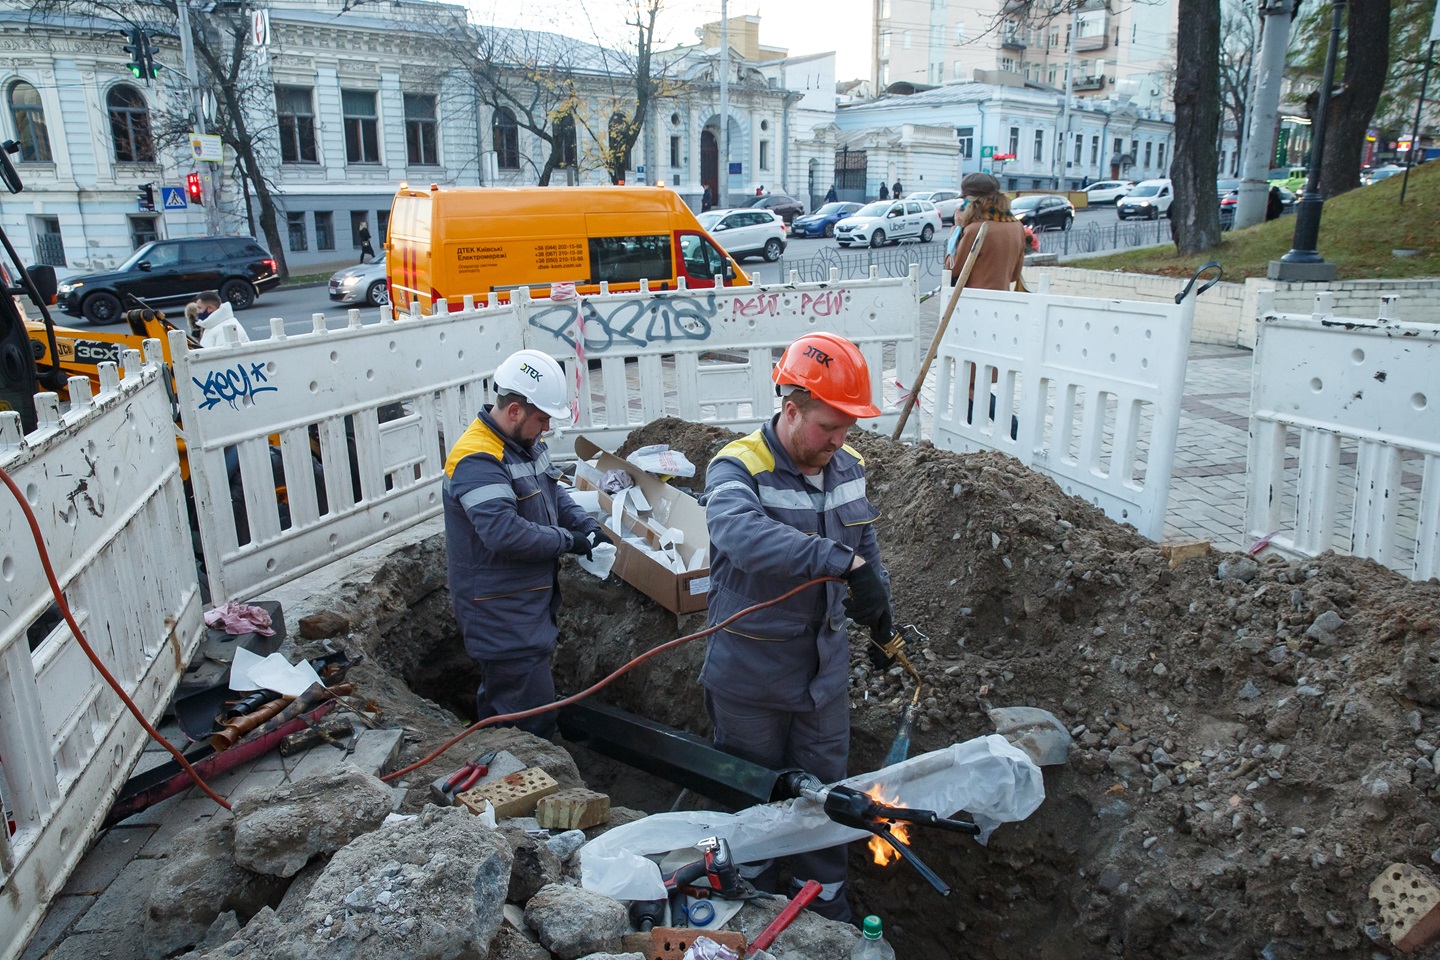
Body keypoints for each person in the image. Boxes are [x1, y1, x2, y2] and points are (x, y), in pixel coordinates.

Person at [701, 332, 896, 924]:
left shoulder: (848, 466)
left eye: (847, 429)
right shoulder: (738, 467)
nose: (839, 442)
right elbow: (743, 538)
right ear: (791, 410)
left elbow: (866, 546)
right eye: (828, 427)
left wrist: (880, 613)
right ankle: (753, 911)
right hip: (750, 676)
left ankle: (825, 913)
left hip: (821, 680)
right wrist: (839, 563)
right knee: (752, 799)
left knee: (827, 802)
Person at [443, 349, 603, 738]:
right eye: (542, 418)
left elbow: (554, 493)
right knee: (529, 720)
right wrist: (569, 540)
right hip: (500, 613)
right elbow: (504, 532)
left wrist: (586, 525)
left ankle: (499, 750)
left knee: (507, 701)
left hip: (523, 606)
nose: (546, 427)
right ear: (514, 410)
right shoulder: (477, 459)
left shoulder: (525, 444)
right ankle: (529, 783)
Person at [945, 172, 1025, 290]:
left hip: (976, 300)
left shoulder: (976, 230)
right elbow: (1014, 275)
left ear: (972, 201)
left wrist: (956, 230)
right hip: (1004, 299)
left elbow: (951, 269)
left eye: (964, 200)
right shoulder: (1017, 226)